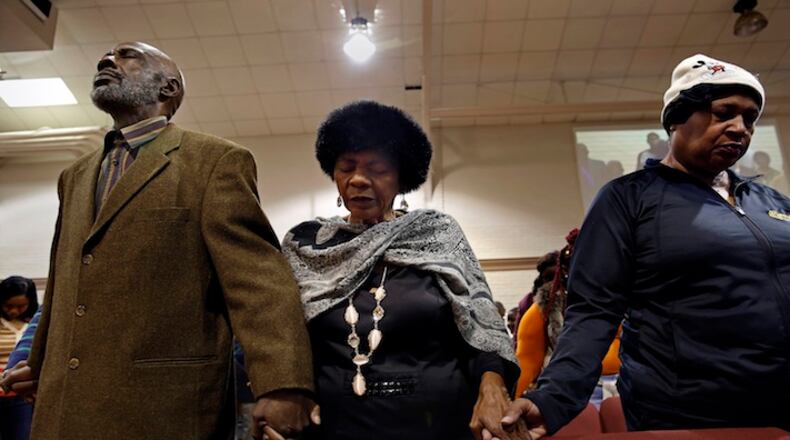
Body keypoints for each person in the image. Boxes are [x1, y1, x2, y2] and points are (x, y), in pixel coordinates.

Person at [0, 41, 314, 440]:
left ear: (169, 89)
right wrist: (42, 360)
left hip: (164, 412)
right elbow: (65, 282)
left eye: (127, 55)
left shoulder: (214, 162)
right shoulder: (74, 176)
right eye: (106, 55)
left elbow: (258, 283)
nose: (106, 60)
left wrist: (284, 384)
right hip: (62, 414)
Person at [502, 54, 790, 437]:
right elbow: (593, 313)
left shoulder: (770, 202)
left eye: (750, 118)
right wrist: (552, 398)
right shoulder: (628, 199)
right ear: (677, 117)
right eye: (724, 113)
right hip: (689, 417)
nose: (740, 128)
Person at [281, 101, 523, 440]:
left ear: (401, 177)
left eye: (377, 169)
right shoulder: (307, 245)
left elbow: (479, 317)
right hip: (337, 425)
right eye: (346, 167)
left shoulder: (437, 233)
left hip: (437, 424)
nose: (359, 180)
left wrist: (493, 385)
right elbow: (284, 336)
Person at [513, 230, 620, 405]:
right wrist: (511, 401)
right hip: (574, 388)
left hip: (630, 385)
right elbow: (527, 360)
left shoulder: (623, 298)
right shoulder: (545, 308)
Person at [0, 276, 38, 440]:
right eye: (8, 306)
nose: (14, 311)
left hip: (20, 395)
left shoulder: (36, 325)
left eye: (21, 306)